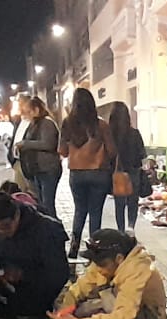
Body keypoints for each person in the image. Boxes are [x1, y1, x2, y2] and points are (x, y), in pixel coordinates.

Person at [52, 229, 167, 319]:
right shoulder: (106, 262)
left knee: (106, 304)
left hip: (150, 318)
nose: (98, 268)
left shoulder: (138, 269)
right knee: (81, 306)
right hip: (122, 305)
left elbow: (123, 316)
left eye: (102, 264)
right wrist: (64, 315)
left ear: (119, 258)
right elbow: (78, 290)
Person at [0, 190, 70, 319]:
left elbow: (59, 275)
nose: (1, 231)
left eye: (6, 226)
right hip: (1, 275)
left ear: (17, 215)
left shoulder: (46, 229)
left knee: (28, 309)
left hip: (34, 285)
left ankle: (29, 317)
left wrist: (23, 275)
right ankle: (5, 316)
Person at [59, 88, 115, 258]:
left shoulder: (67, 124)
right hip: (98, 174)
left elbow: (62, 151)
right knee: (95, 212)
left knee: (79, 210)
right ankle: (94, 248)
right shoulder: (101, 125)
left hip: (77, 174)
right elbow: (112, 150)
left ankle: (74, 247)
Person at [15, 97, 60, 216]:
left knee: (47, 204)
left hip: (47, 169)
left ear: (36, 110)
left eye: (29, 111)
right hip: (37, 169)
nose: (27, 115)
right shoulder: (33, 124)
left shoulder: (47, 123)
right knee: (41, 203)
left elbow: (48, 143)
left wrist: (25, 144)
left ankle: (53, 229)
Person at [109, 102, 146, 232]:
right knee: (132, 203)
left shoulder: (109, 134)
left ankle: (120, 231)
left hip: (117, 174)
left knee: (119, 205)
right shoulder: (135, 133)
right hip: (133, 173)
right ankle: (131, 228)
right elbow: (142, 154)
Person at [7, 94, 33, 191]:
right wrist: (11, 158)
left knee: (33, 194)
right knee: (20, 193)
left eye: (21, 103)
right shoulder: (19, 121)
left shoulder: (34, 122)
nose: (19, 106)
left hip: (29, 164)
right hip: (18, 162)